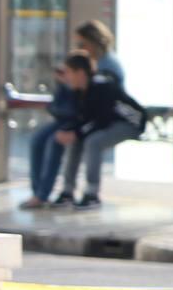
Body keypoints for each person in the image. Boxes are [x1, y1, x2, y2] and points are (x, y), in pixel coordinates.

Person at [53, 49, 147, 209]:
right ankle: (67, 191)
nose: (66, 77)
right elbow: (83, 119)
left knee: (92, 142)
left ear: (80, 73)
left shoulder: (102, 87)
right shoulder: (79, 91)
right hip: (107, 123)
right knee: (76, 141)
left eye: (68, 72)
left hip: (129, 124)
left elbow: (101, 120)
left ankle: (92, 193)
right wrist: (71, 132)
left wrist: (76, 133)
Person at [20, 53, 84, 210]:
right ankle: (37, 193)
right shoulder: (66, 83)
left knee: (53, 142)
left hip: (78, 121)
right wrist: (64, 85)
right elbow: (56, 108)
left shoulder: (87, 81)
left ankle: (42, 195)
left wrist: (69, 87)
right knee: (37, 140)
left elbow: (81, 111)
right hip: (64, 119)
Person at [75, 19, 124, 85]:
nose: (79, 49)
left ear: (93, 42)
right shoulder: (100, 62)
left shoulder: (108, 66)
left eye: (82, 45)